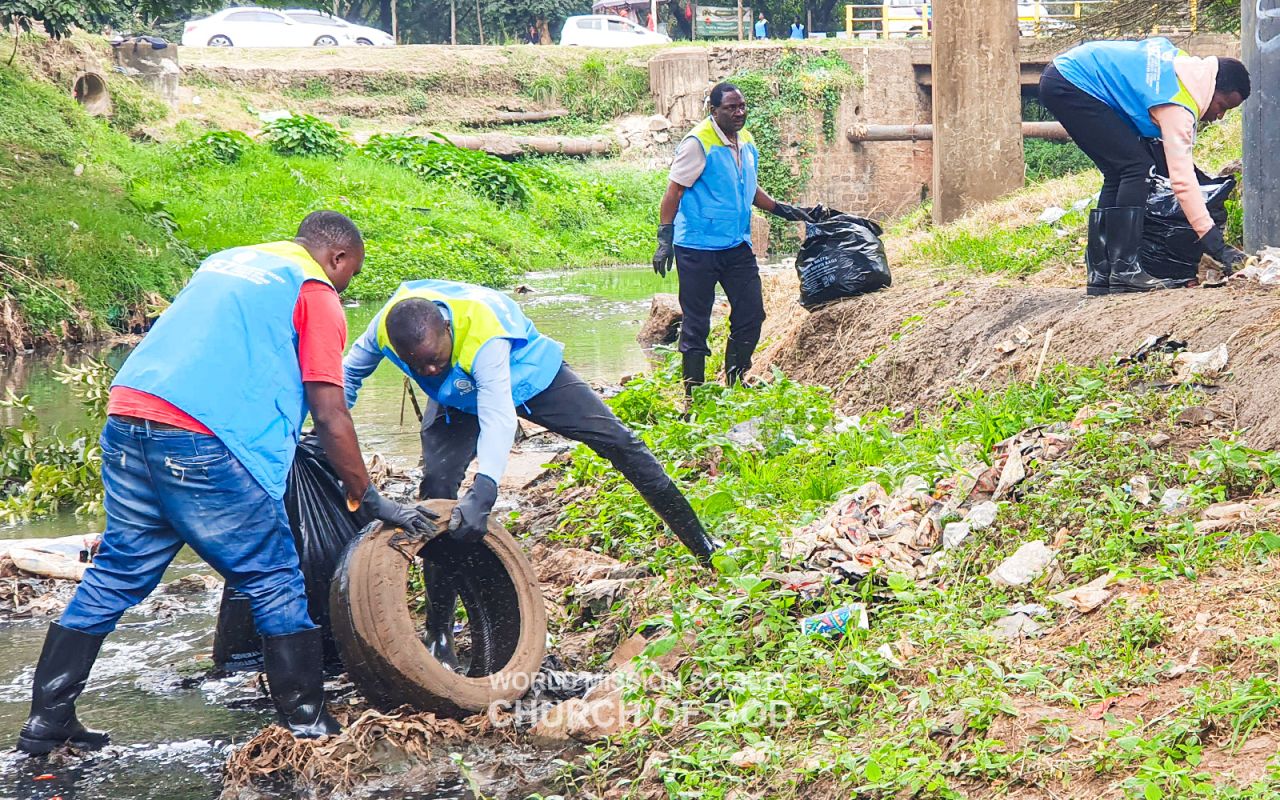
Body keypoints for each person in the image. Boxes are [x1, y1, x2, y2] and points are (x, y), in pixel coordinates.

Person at [15, 212, 437, 756]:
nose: (344, 285)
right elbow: (331, 413)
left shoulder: (228, 261)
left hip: (127, 419)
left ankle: (47, 720)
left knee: (117, 572)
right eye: (348, 274)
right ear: (337, 258)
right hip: (200, 440)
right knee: (272, 575)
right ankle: (308, 725)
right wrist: (370, 498)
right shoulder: (314, 291)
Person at [342, 280, 719, 666]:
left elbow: (498, 416)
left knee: (621, 444)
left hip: (533, 378)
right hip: (458, 399)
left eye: (436, 358)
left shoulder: (482, 332)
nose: (430, 369)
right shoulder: (385, 329)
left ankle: (705, 547)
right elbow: (345, 380)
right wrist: (327, 440)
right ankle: (439, 633)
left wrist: (484, 490)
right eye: (419, 365)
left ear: (448, 329)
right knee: (436, 492)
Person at [1040, 38, 1250, 294]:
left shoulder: (1185, 72)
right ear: (1213, 89)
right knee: (1136, 168)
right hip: (1073, 82)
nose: (1220, 116)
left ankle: (1103, 272)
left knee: (1121, 170)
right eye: (1223, 106)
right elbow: (1181, 180)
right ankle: (1124, 271)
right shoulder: (1177, 106)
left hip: (1064, 76)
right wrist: (1214, 243)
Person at [652, 82, 822, 397]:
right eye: (731, 108)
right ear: (714, 111)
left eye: (742, 106)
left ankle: (735, 380)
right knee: (696, 324)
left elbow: (749, 189)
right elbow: (673, 191)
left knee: (751, 314)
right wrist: (665, 237)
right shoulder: (697, 143)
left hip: (736, 246)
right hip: (697, 248)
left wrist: (786, 211)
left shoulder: (745, 140)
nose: (739, 112)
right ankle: (694, 396)